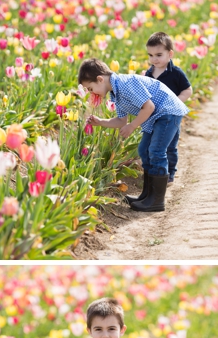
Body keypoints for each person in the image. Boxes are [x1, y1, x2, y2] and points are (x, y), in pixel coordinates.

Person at [79, 57, 186, 212]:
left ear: (100, 79)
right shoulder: (115, 93)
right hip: (157, 117)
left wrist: (132, 126)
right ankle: (147, 195)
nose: (91, 93)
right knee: (144, 150)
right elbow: (121, 121)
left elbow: (149, 107)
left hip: (168, 113)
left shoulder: (125, 84)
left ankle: (156, 200)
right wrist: (100, 121)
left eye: (90, 88)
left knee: (156, 151)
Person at [143, 32, 192, 184]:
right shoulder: (149, 73)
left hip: (172, 116)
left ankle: (170, 172)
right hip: (154, 115)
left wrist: (176, 102)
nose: (154, 59)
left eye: (158, 54)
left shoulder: (176, 73)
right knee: (153, 144)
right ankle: (155, 169)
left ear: (170, 54)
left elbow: (188, 90)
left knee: (170, 146)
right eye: (150, 55)